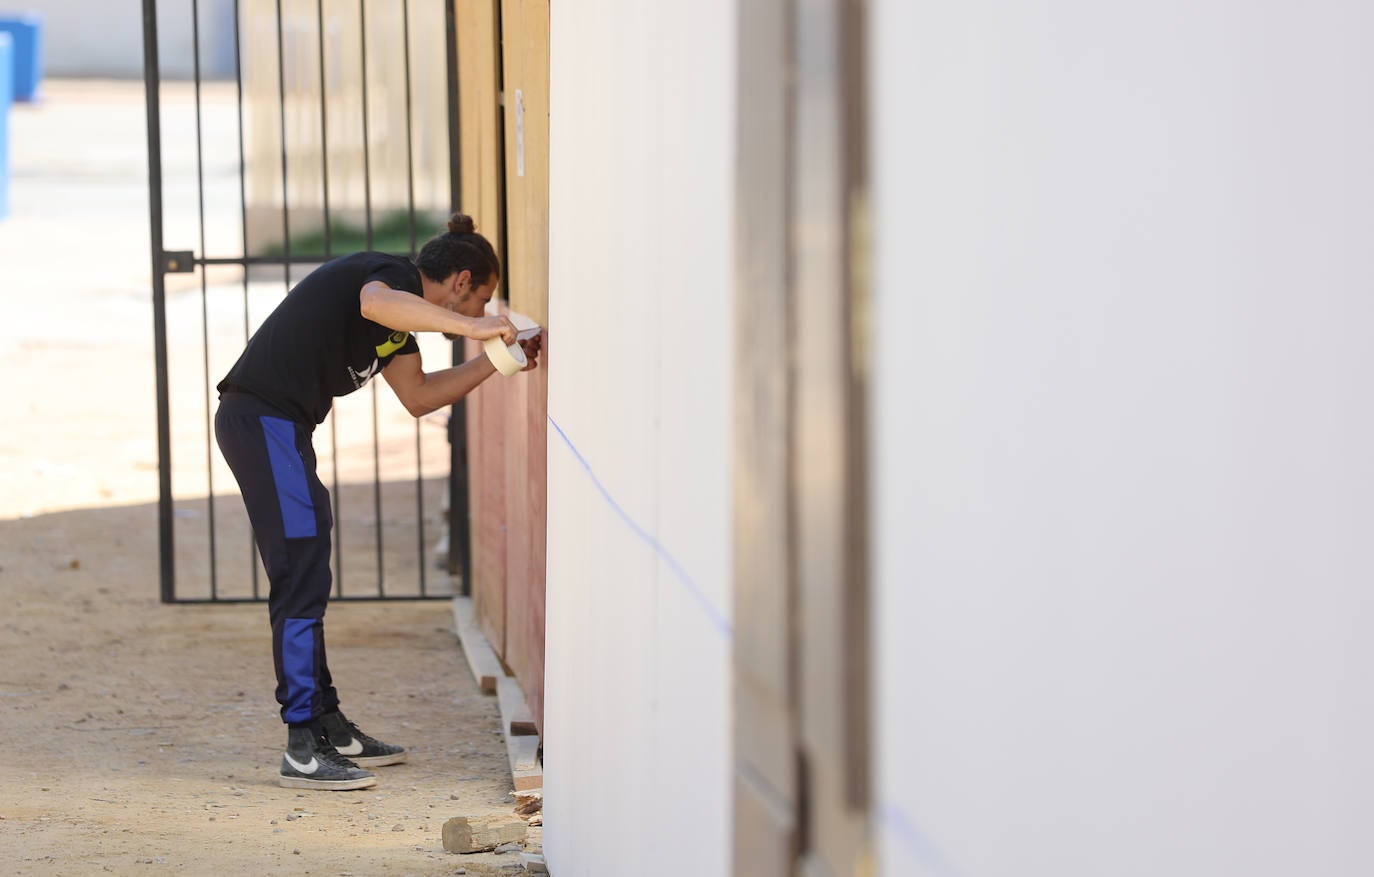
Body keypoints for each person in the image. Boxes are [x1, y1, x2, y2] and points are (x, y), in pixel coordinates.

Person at [213, 213, 541, 791]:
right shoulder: (387, 276)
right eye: (480, 299)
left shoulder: (401, 329)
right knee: (300, 575)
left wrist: (494, 361)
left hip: (281, 430)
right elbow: (375, 303)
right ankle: (301, 746)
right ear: (461, 280)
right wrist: (479, 330)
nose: (475, 312)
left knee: (308, 569)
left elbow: (419, 397)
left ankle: (330, 727)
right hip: (259, 420)